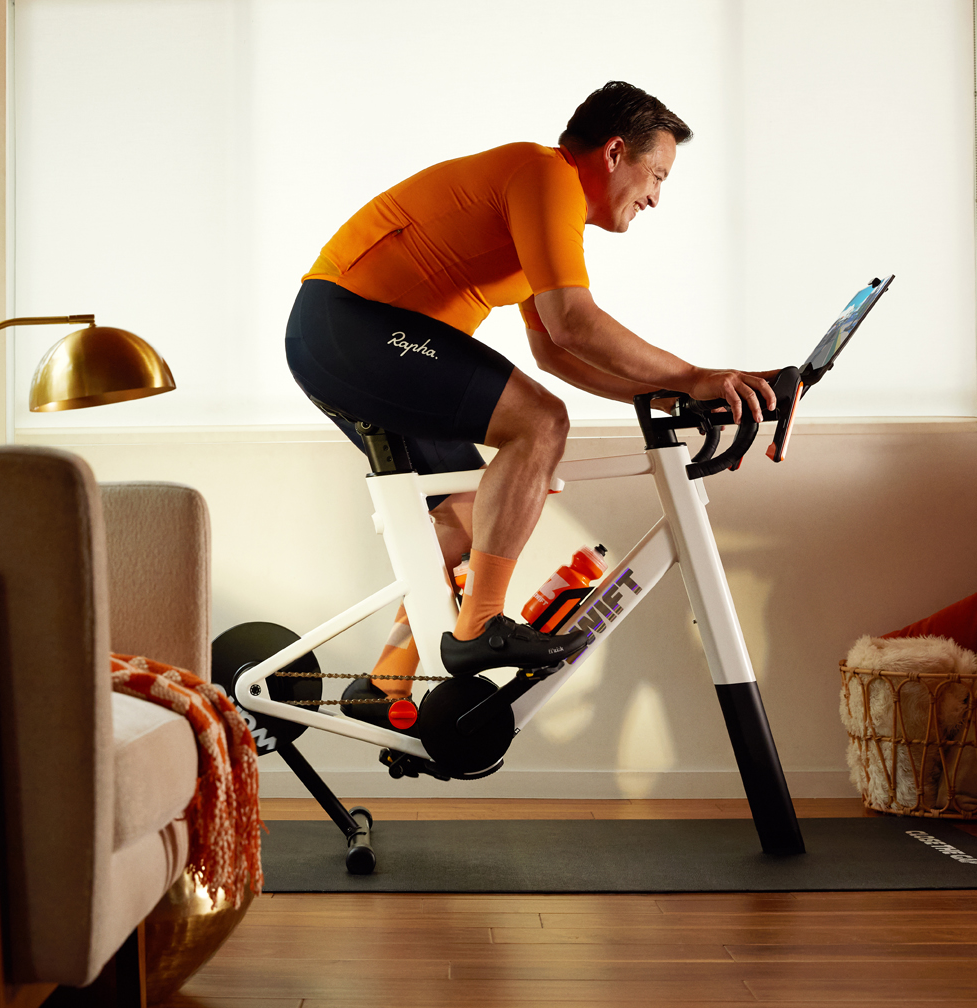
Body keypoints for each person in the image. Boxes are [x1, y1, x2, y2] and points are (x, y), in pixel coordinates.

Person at [284, 81, 776, 708]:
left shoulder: (543, 208)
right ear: (614, 152)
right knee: (540, 422)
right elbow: (574, 323)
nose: (656, 197)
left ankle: (383, 688)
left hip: (355, 339)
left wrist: (665, 396)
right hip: (349, 324)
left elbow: (554, 351)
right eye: (657, 175)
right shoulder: (545, 175)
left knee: (468, 515)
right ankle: (479, 629)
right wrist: (693, 376)